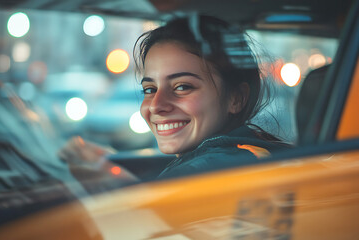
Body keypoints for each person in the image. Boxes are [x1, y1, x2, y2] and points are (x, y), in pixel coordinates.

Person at [59, 15, 290, 180]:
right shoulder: (249, 152)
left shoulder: (210, 170)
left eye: (182, 87)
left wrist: (106, 179)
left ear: (236, 98)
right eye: (150, 89)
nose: (157, 105)